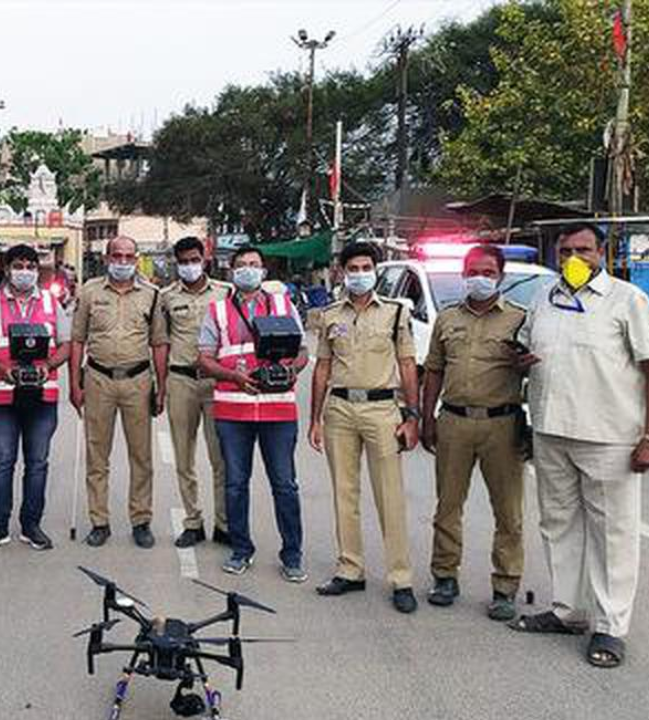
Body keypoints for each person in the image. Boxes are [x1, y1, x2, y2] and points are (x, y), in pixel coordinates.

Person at [508, 223, 649, 669]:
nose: (575, 256)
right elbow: (527, 350)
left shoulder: (627, 300)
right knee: (558, 524)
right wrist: (521, 360)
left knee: (612, 535)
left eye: (584, 249)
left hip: (609, 436)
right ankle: (568, 611)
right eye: (567, 249)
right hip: (552, 430)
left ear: (602, 252)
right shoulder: (544, 297)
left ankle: (610, 627)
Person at [308, 241, 421, 614]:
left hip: (382, 410)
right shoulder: (329, 315)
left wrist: (412, 416)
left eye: (365, 267)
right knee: (345, 493)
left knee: (390, 496)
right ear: (341, 272)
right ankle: (350, 568)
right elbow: (322, 368)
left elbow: (407, 366)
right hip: (339, 409)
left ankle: (400, 577)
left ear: (375, 270)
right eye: (352, 267)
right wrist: (314, 419)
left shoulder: (394, 314)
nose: (359, 273)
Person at [419, 245, 528, 620]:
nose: (479, 278)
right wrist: (426, 419)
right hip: (453, 421)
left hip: (503, 423)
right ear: (463, 275)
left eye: (488, 271)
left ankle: (505, 586)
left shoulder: (520, 319)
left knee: (508, 512)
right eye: (473, 271)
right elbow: (433, 370)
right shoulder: (447, 319)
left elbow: (535, 370)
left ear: (500, 275)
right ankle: (445, 576)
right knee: (447, 506)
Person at [198, 246, 308, 581]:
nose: (249, 270)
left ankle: (292, 555)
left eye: (255, 265)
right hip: (233, 410)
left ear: (264, 271)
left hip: (278, 410)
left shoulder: (282, 304)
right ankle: (240, 550)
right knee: (235, 484)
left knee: (285, 485)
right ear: (231, 271)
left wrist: (292, 372)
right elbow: (203, 358)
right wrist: (233, 377)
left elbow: (302, 351)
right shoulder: (216, 310)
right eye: (242, 265)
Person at [0, 245, 72, 552]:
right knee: (3, 462)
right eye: (19, 265)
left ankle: (31, 525)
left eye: (30, 265)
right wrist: (2, 369)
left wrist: (48, 367)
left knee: (37, 463)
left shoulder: (53, 304)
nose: (25, 270)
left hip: (42, 396)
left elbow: (66, 345)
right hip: (2, 395)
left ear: (37, 270)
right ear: (7, 267)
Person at [70, 236, 165, 549]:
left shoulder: (152, 295)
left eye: (128, 256)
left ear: (136, 259)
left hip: (138, 381)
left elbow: (159, 344)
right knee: (97, 456)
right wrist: (74, 382)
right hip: (98, 379)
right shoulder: (89, 292)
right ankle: (99, 521)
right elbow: (77, 340)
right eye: (117, 256)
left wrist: (161, 386)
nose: (122, 262)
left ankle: (141, 520)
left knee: (141, 456)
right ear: (106, 257)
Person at [153, 237, 232, 548]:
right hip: (181, 380)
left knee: (220, 458)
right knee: (183, 457)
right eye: (183, 261)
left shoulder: (225, 293)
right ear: (177, 263)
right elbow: (161, 342)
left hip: (216, 383)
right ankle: (193, 522)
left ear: (205, 258)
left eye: (194, 259)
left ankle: (224, 524)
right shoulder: (166, 297)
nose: (189, 265)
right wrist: (160, 387)